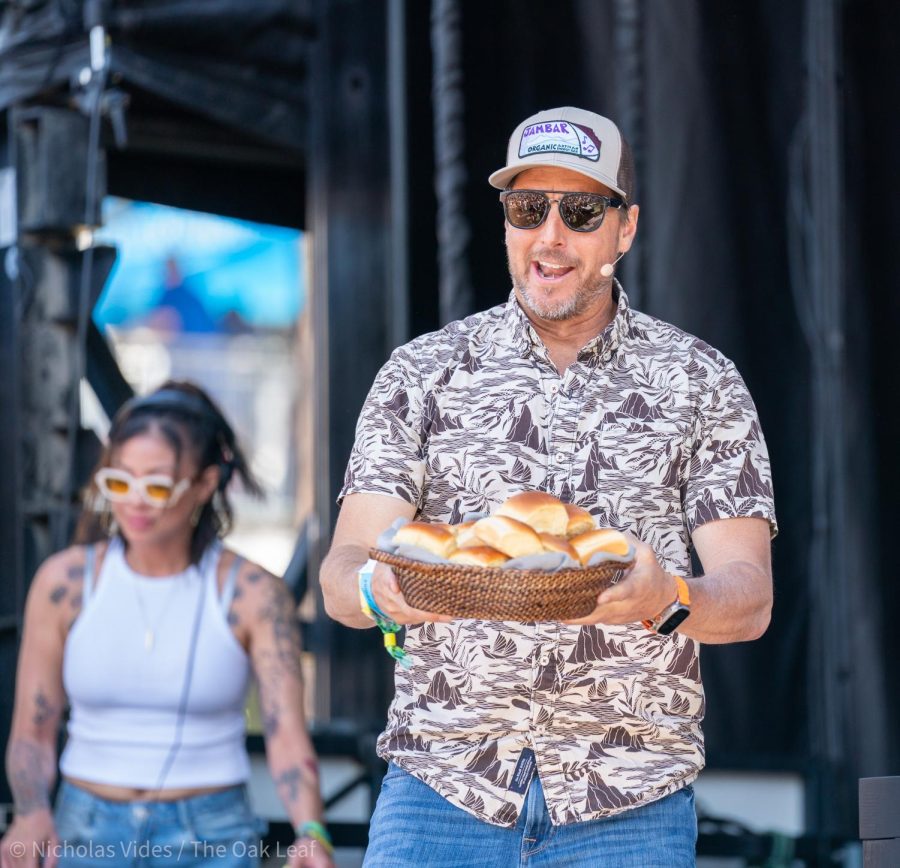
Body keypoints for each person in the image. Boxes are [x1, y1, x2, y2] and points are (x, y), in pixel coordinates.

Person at [320, 107, 777, 868]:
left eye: (582, 210)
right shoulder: (421, 373)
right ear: (505, 223)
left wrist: (669, 598)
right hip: (443, 788)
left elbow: (751, 597)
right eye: (528, 209)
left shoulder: (702, 382)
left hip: (629, 801)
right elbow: (341, 576)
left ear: (625, 229)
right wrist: (382, 590)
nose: (551, 235)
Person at [1, 381, 334, 868]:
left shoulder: (255, 595)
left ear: (204, 484)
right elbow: (33, 728)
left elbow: (286, 732)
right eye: (120, 482)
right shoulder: (64, 582)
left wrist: (311, 830)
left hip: (213, 832)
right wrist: (30, 814)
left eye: (156, 486)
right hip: (85, 826)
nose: (135, 501)